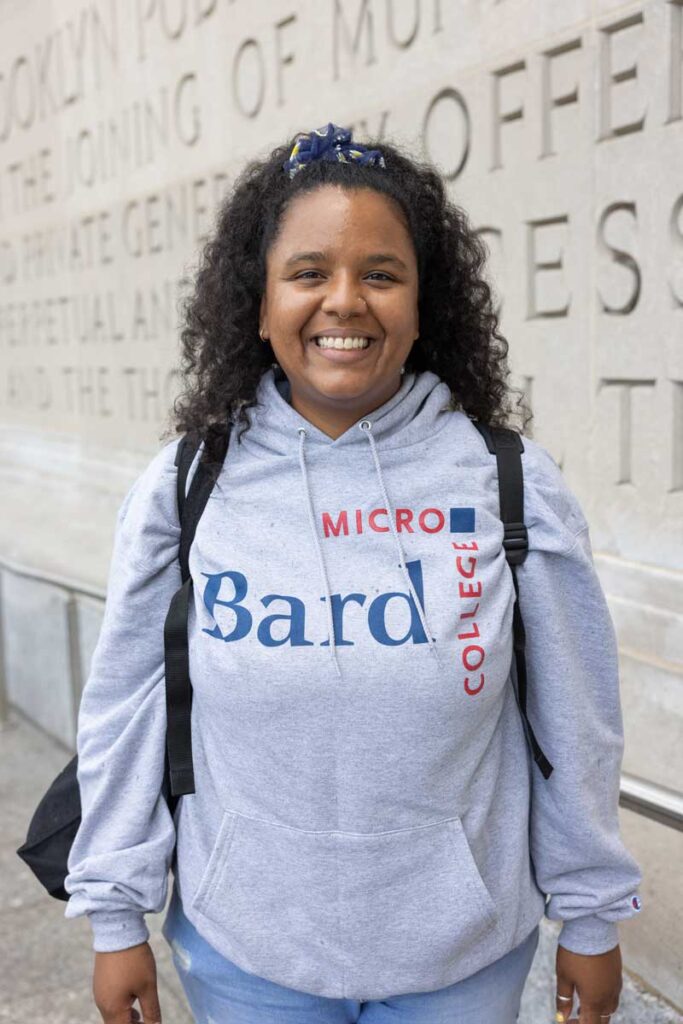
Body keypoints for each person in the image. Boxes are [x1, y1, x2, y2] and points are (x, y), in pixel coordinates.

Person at [63, 122, 643, 1024]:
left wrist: (593, 917)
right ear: (258, 306)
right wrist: (113, 918)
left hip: (461, 958)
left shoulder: (505, 481)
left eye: (380, 273)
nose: (345, 301)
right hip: (246, 953)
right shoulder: (187, 484)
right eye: (306, 274)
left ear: (422, 304)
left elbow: (576, 723)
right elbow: (124, 712)